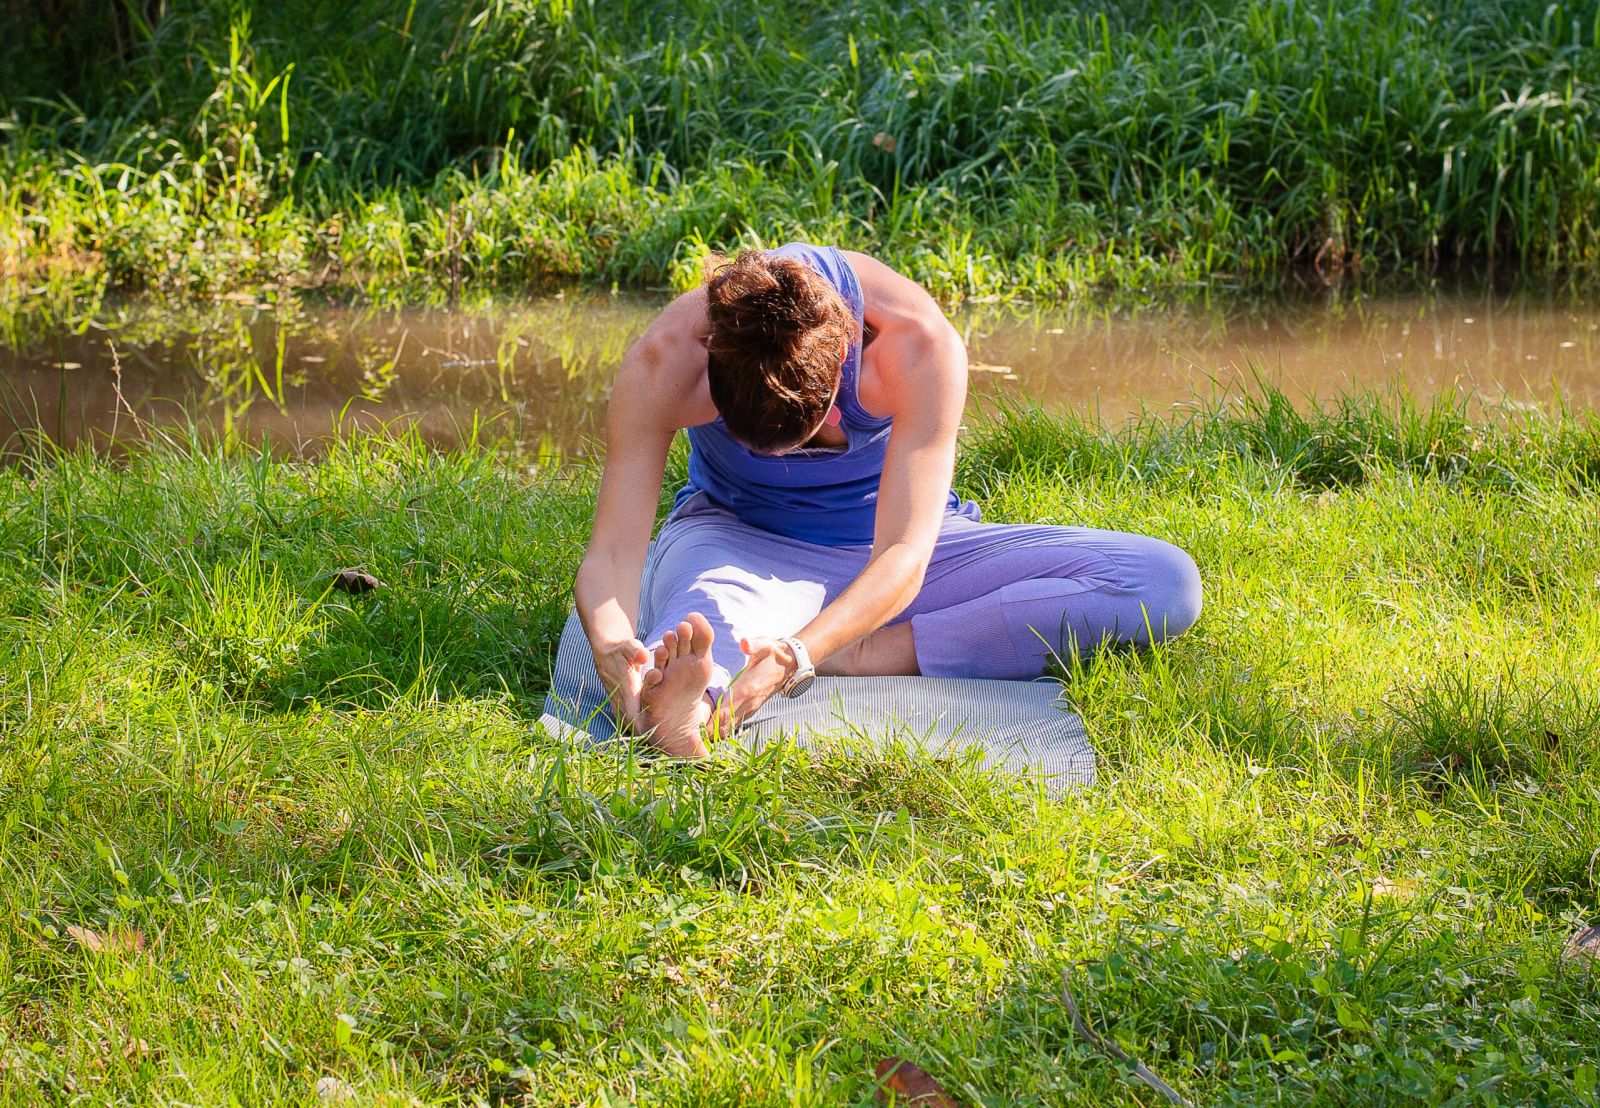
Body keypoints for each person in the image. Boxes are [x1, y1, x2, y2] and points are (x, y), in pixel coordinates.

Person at [574, 243, 1201, 757]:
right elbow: (615, 552)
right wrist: (610, 645)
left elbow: (903, 552)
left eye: (812, 434)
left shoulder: (919, 346)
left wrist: (799, 653)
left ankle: (866, 650)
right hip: (736, 538)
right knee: (699, 630)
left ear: (845, 354)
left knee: (1161, 582)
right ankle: (683, 705)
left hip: (900, 549)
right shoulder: (665, 362)